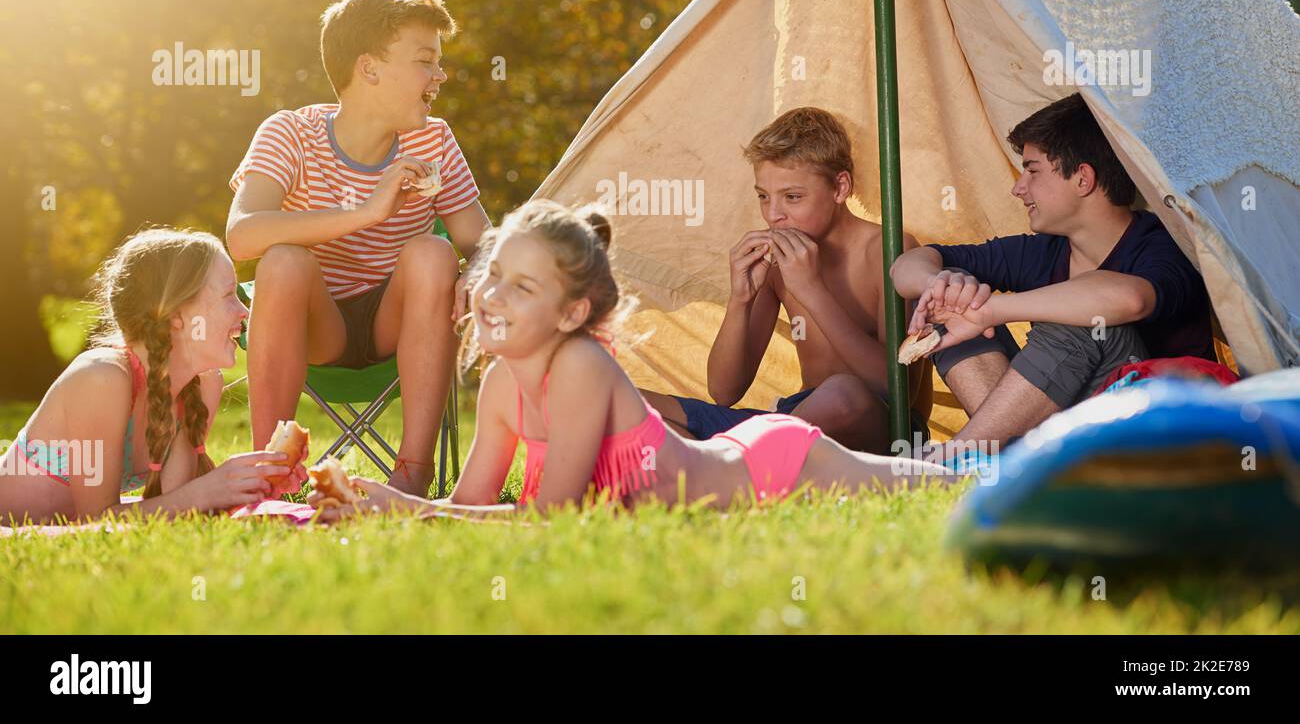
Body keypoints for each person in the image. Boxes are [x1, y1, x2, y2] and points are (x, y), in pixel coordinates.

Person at [310, 200, 951, 523]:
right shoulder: (502, 384)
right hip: (741, 450)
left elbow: (550, 521)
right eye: (493, 274)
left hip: (774, 467)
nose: (492, 297)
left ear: (569, 316)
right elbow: (469, 503)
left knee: (946, 488)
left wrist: (404, 507)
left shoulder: (582, 368)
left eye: (522, 288)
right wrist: (382, 508)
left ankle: (1025, 464)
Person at [226, 0, 490, 497]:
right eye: (425, 62)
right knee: (282, 261)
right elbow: (242, 237)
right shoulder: (290, 134)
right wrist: (365, 212)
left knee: (434, 253)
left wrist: (482, 271)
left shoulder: (432, 141)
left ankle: (411, 475)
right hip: (317, 327)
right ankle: (271, 474)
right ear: (369, 69)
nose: (440, 76)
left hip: (399, 325)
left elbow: (481, 243)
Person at [890, 93, 1215, 460]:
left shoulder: (1163, 243)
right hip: (1067, 438)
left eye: (1032, 170)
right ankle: (1010, 460)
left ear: (1082, 178)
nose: (1018, 187)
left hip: (1161, 435)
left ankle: (961, 457)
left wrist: (991, 310)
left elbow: (1129, 298)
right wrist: (941, 287)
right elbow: (907, 266)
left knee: (1083, 319)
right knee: (947, 296)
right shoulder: (1045, 250)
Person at [641, 107, 931, 452]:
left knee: (842, 392)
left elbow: (893, 389)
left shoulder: (891, 252)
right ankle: (743, 456)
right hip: (800, 419)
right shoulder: (778, 263)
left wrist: (811, 290)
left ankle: (733, 459)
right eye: (763, 196)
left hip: (883, 429)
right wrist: (740, 300)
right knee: (634, 402)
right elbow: (724, 390)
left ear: (840, 187)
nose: (774, 214)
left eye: (792, 197)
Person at [0, 228, 301, 525]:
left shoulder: (204, 384)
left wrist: (255, 483)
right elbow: (97, 520)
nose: (244, 311)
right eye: (228, 295)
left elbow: (172, 508)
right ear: (176, 316)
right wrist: (206, 491)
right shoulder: (101, 379)